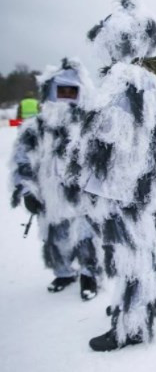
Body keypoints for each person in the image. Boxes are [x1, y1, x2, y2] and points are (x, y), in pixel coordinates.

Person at [81, 0, 156, 352]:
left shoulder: (126, 79)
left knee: (128, 255)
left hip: (123, 186)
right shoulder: (148, 76)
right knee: (141, 249)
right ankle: (144, 305)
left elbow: (105, 132)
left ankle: (131, 327)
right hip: (139, 184)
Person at [10, 58, 101, 300]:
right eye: (62, 90)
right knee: (56, 237)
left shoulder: (89, 126)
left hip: (82, 196)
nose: (66, 96)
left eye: (73, 91)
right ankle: (63, 272)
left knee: (85, 236)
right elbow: (22, 161)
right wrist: (27, 191)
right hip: (50, 197)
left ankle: (90, 274)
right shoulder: (35, 127)